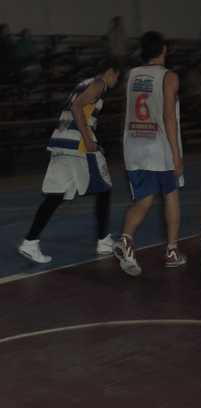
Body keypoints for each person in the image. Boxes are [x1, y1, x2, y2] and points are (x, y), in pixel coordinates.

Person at [17, 58, 121, 264]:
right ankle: (103, 241)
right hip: (78, 144)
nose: (116, 81)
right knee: (103, 188)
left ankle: (30, 242)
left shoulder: (83, 83)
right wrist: (88, 138)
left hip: (61, 141)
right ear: (110, 72)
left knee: (56, 196)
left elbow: (73, 107)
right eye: (117, 76)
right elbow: (76, 107)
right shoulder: (99, 84)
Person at [113, 31, 187, 276]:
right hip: (160, 146)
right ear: (163, 49)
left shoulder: (131, 75)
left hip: (134, 143)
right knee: (171, 194)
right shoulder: (169, 77)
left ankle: (125, 240)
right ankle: (172, 251)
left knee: (143, 199)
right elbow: (168, 116)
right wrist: (176, 153)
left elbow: (127, 110)